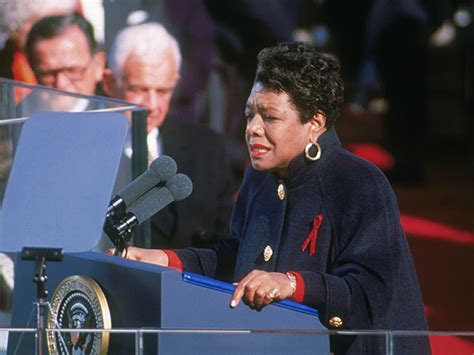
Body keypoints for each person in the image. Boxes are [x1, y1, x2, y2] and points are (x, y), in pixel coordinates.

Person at [112, 42, 430, 354]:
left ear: (315, 123)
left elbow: (368, 293)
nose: (252, 129)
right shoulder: (260, 176)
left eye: (270, 118)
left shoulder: (359, 182)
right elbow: (236, 259)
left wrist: (290, 283)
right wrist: (165, 260)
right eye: (250, 114)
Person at [102, 22, 234, 249]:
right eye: (139, 90)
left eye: (162, 91)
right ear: (111, 84)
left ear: (175, 84)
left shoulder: (206, 148)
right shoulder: (89, 148)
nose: (152, 105)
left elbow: (223, 241)